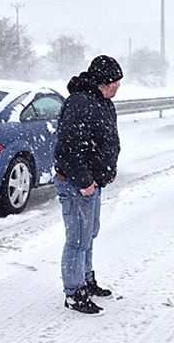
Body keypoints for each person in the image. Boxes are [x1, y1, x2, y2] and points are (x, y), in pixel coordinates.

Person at [54, 55, 122, 314]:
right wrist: (84, 180)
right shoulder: (80, 103)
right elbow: (70, 148)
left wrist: (108, 171)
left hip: (93, 183)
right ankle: (73, 293)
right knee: (77, 239)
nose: (118, 87)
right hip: (77, 184)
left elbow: (106, 141)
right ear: (101, 81)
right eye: (114, 82)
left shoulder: (102, 102)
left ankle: (86, 280)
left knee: (89, 234)